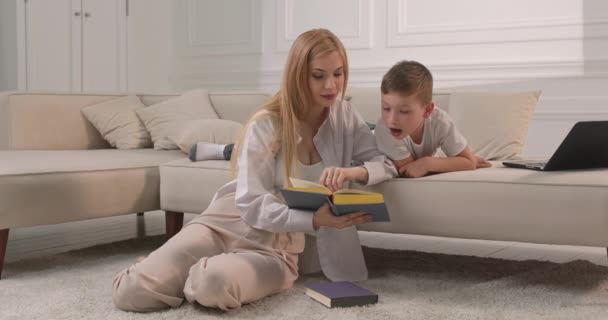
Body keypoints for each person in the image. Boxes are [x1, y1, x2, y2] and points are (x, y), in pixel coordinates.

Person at [112, 28, 397, 312]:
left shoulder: (344, 117)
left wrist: (353, 173)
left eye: (338, 73)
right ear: (298, 75)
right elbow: (249, 202)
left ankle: (196, 274)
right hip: (224, 222)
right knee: (133, 292)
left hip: (275, 248)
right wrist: (313, 219)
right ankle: (168, 269)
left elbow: (385, 163)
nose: (331, 86)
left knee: (214, 283)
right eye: (318, 75)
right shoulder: (268, 122)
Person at [374, 60, 491, 178]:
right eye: (386, 108)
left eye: (404, 111)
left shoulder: (440, 121)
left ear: (427, 110)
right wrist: (448, 163)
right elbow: (410, 170)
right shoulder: (385, 129)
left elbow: (469, 162)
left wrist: (428, 163)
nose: (391, 120)